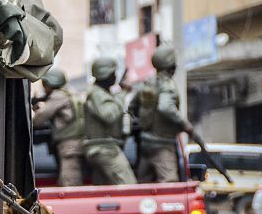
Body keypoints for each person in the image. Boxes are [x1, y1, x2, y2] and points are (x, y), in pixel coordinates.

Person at [129, 44, 191, 183]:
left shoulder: (147, 84)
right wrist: (185, 124)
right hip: (163, 144)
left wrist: (140, 125)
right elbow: (165, 107)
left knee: (144, 186)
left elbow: (131, 107)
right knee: (170, 186)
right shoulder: (167, 85)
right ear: (171, 66)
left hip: (145, 144)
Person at [82, 57, 136, 185]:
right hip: (105, 149)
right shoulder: (97, 94)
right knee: (129, 187)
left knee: (105, 191)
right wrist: (123, 93)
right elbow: (109, 115)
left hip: (101, 148)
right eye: (113, 74)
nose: (115, 77)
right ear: (106, 75)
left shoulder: (101, 93)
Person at [33, 68, 85, 186]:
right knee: (65, 181)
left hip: (69, 147)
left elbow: (38, 119)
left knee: (70, 183)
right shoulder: (70, 92)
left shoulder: (58, 96)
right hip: (75, 143)